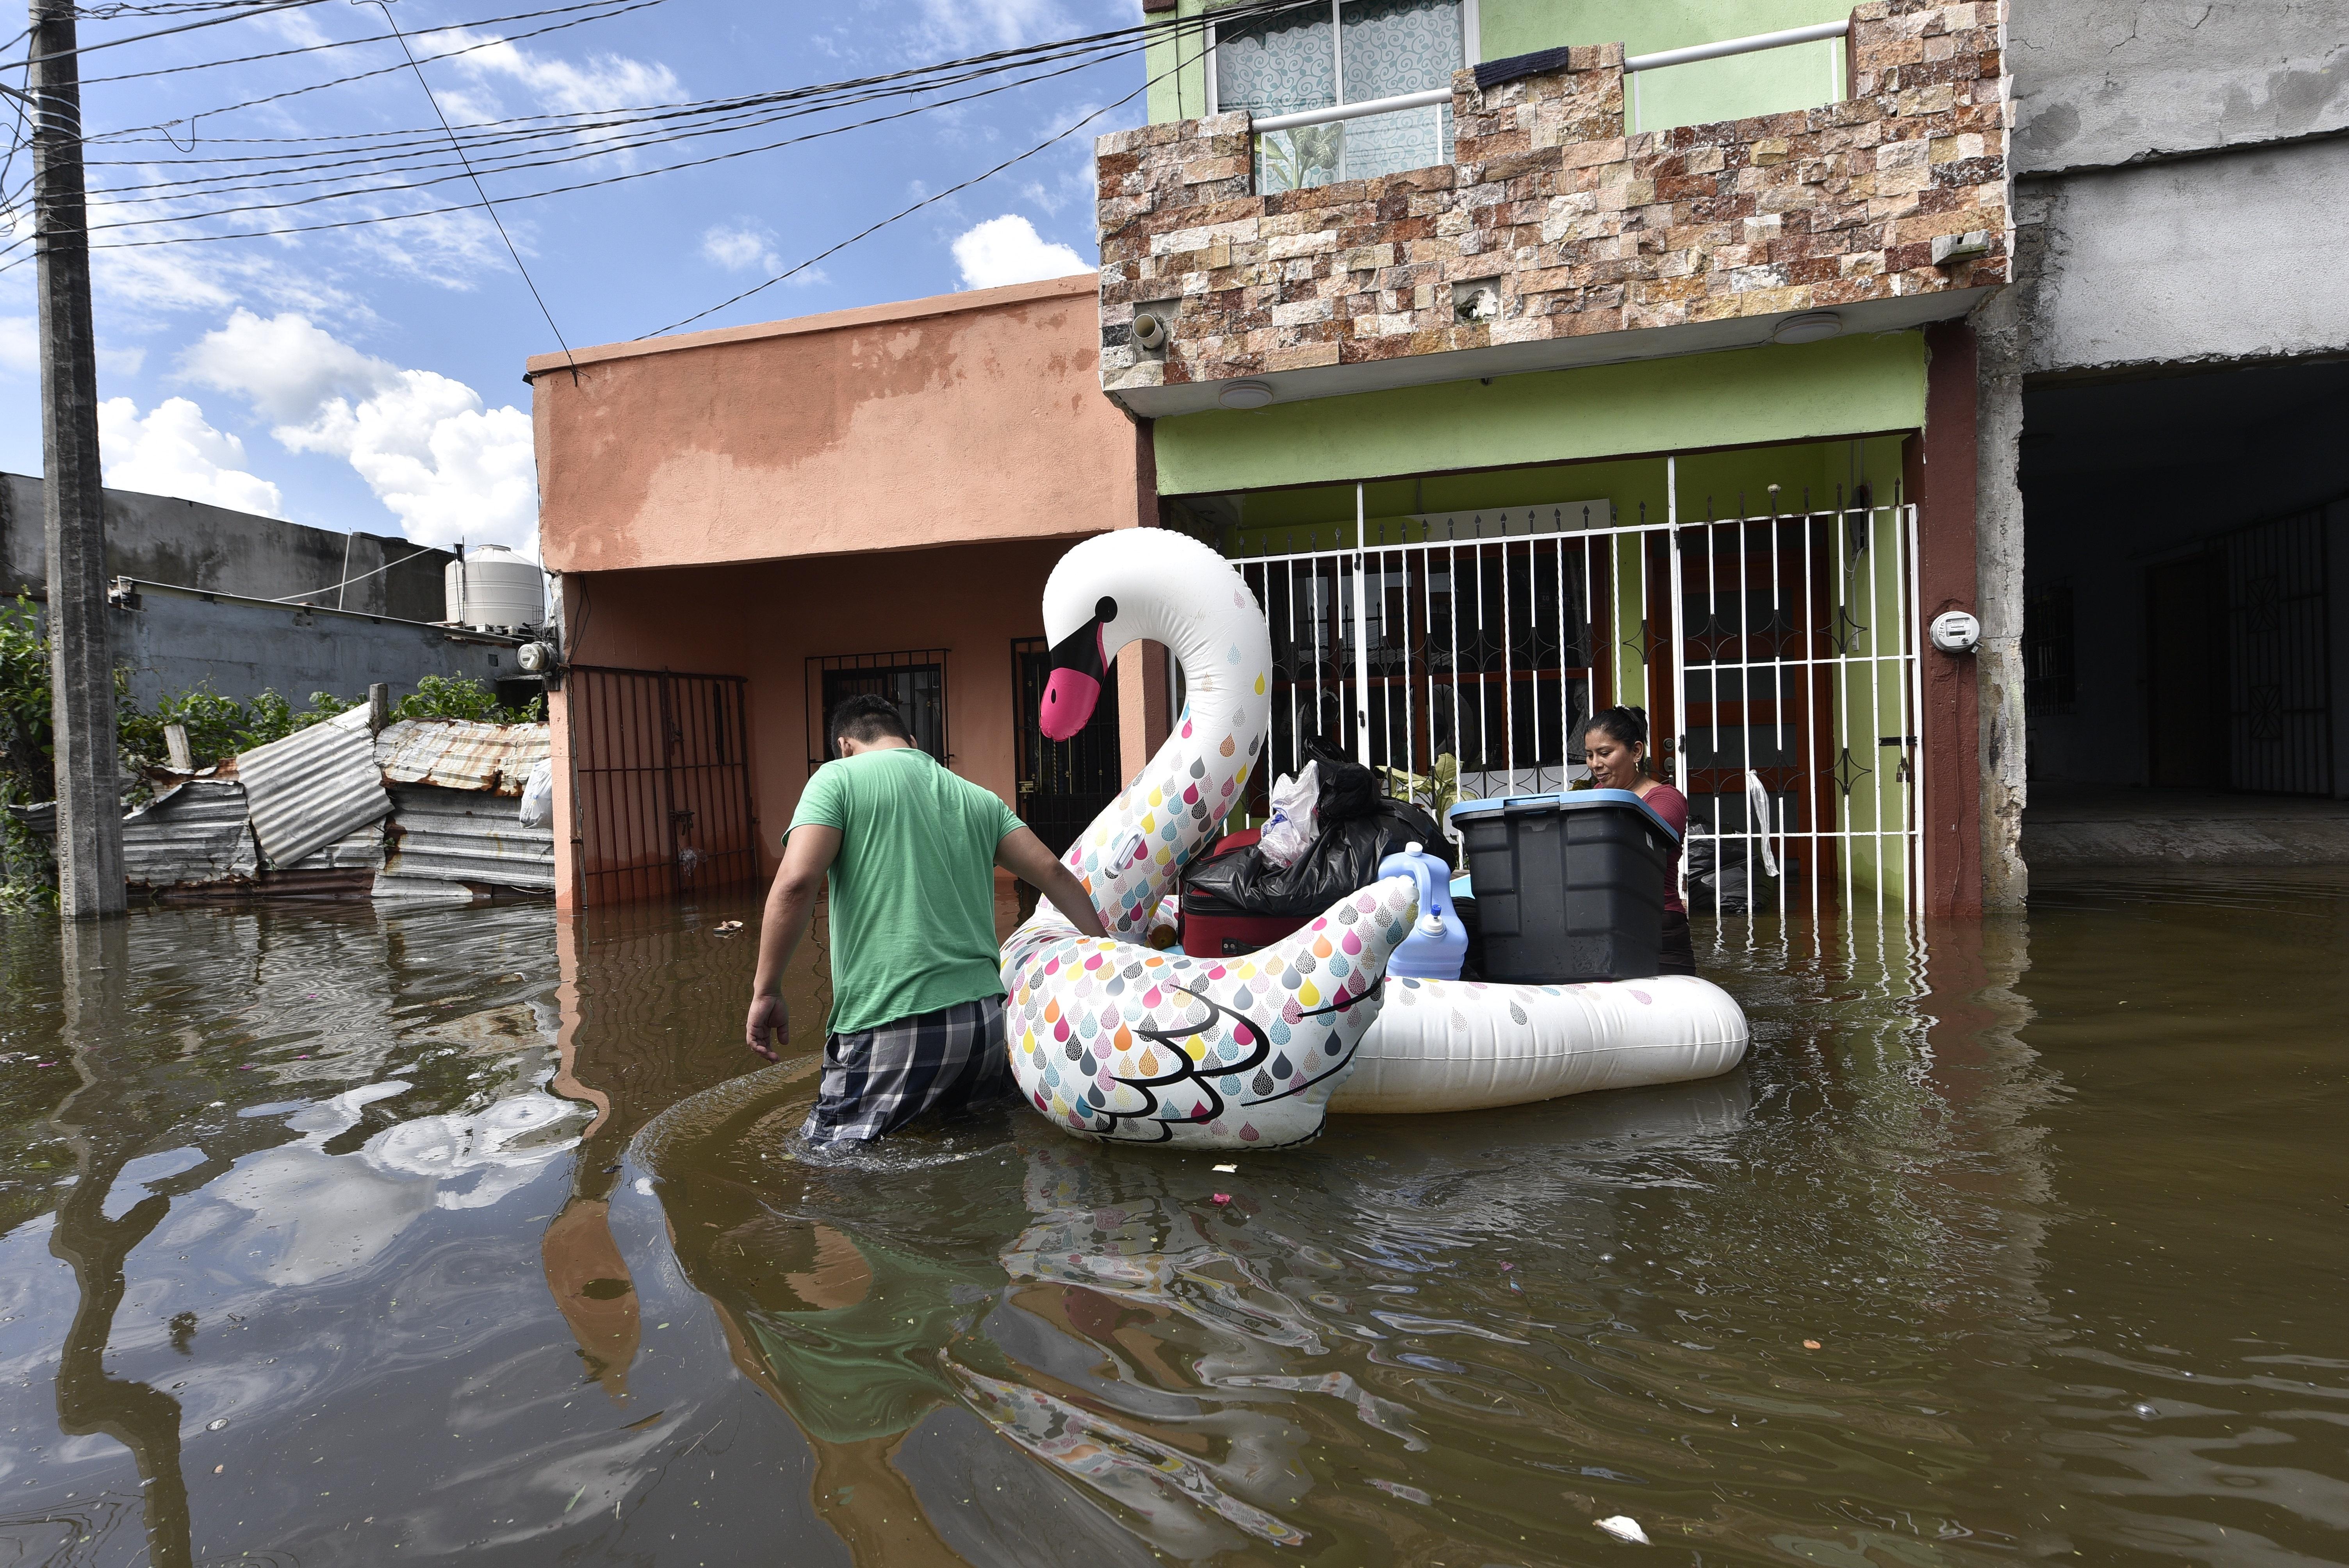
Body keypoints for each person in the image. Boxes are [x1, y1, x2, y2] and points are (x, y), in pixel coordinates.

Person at [745, 693, 1108, 1144]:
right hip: (984, 1027)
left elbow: (796, 883)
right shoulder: (978, 798)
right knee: (975, 1150)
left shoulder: (835, 778)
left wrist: (767, 988)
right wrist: (1107, 951)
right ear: (912, 742)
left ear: (844, 745)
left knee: (828, 1172)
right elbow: (1054, 873)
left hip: (892, 1019)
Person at [1581, 706, 1696, 976]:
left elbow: (1628, 845)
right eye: (1589, 755)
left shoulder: (1666, 800)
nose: (1595, 764)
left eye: (1605, 753)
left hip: (1657, 930)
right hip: (1603, 928)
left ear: (1636, 751)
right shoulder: (1596, 795)